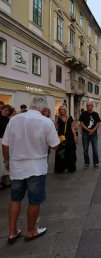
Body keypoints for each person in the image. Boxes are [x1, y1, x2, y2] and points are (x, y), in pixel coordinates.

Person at [2, 96, 60, 243]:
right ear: (44, 109)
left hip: (17, 167)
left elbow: (5, 143)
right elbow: (55, 145)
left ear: (31, 105)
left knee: (15, 198)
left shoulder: (14, 119)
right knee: (34, 200)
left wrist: (6, 160)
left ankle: (12, 232)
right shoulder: (46, 122)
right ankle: (31, 230)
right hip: (36, 167)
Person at [55, 105, 77, 173]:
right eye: (60, 109)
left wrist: (75, 135)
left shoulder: (70, 117)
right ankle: (62, 167)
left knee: (70, 151)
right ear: (59, 111)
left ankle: (69, 167)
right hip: (61, 137)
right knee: (62, 152)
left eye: (63, 109)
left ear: (65, 110)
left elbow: (72, 127)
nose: (62, 111)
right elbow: (56, 129)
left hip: (69, 137)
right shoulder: (58, 119)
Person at [79, 101, 101, 168]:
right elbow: (81, 123)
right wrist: (88, 130)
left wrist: (93, 130)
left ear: (92, 106)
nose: (89, 106)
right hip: (85, 133)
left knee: (95, 149)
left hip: (94, 134)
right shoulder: (83, 114)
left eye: (90, 105)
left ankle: (96, 162)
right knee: (85, 149)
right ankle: (86, 162)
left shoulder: (96, 114)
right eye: (87, 105)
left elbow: (98, 124)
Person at [0, 104, 14, 190]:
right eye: (3, 109)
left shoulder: (10, 120)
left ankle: (4, 180)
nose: (5, 111)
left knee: (5, 160)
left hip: (6, 142)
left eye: (7, 110)